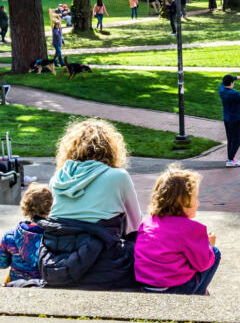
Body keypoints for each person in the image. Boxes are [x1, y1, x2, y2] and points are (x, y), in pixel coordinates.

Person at [38, 120, 141, 289]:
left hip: (58, 266)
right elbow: (135, 225)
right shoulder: (118, 177)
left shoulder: (58, 179)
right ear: (111, 148)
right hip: (105, 267)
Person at [134, 166, 220, 296]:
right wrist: (209, 244)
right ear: (183, 202)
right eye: (195, 198)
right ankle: (199, 294)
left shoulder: (147, 222)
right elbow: (204, 264)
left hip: (145, 284)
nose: (198, 203)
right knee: (215, 253)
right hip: (175, 289)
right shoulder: (190, 229)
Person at [1, 183, 51, 285]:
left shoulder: (10, 236)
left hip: (16, 283)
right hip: (43, 284)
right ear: (50, 207)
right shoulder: (54, 236)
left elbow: (2, 263)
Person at [219, 74, 240, 167]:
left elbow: (222, 82)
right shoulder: (233, 94)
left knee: (230, 139)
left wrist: (236, 78)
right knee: (238, 140)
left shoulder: (222, 90)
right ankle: (230, 160)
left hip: (226, 118)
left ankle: (230, 158)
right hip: (235, 119)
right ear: (232, 83)